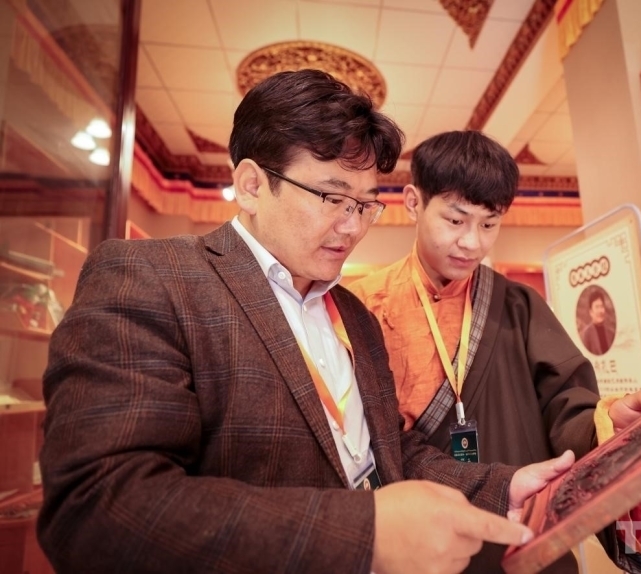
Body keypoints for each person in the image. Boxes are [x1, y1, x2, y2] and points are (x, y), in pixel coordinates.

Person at [36, 70, 575, 574]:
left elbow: (390, 451)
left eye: (364, 205)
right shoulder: (153, 278)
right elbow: (96, 506)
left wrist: (499, 486)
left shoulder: (356, 318)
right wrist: (365, 532)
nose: (352, 227)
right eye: (332, 198)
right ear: (251, 185)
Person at [349, 130, 641, 573]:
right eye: (455, 220)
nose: (472, 242)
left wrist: (606, 424)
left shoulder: (519, 306)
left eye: (489, 224)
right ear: (413, 202)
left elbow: (567, 405)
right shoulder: (363, 306)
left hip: (524, 536)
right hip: (421, 540)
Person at [580, 289, 613, 355]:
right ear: (591, 312)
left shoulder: (611, 333)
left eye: (601, 306)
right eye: (597, 307)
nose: (600, 311)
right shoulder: (586, 334)